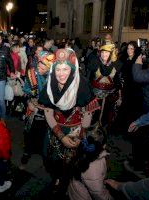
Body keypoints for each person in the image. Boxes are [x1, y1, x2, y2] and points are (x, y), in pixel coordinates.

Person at [38, 48, 98, 197]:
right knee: (53, 159)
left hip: (77, 131)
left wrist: (79, 136)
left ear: (72, 69)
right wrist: (61, 136)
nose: (61, 73)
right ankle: (59, 178)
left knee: (75, 164)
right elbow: (48, 113)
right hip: (56, 130)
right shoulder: (49, 85)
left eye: (65, 69)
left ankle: (72, 183)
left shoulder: (82, 84)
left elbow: (88, 113)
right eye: (58, 69)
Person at [20, 50, 54, 169]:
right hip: (33, 108)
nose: (39, 67)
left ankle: (43, 153)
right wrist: (29, 101)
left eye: (42, 65)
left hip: (48, 110)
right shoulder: (31, 73)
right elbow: (26, 89)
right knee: (29, 131)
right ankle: (27, 152)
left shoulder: (55, 77)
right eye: (39, 64)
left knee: (46, 132)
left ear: (49, 67)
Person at [68, 131, 113, 200]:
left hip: (75, 190)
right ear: (104, 145)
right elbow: (98, 194)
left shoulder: (80, 151)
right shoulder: (93, 171)